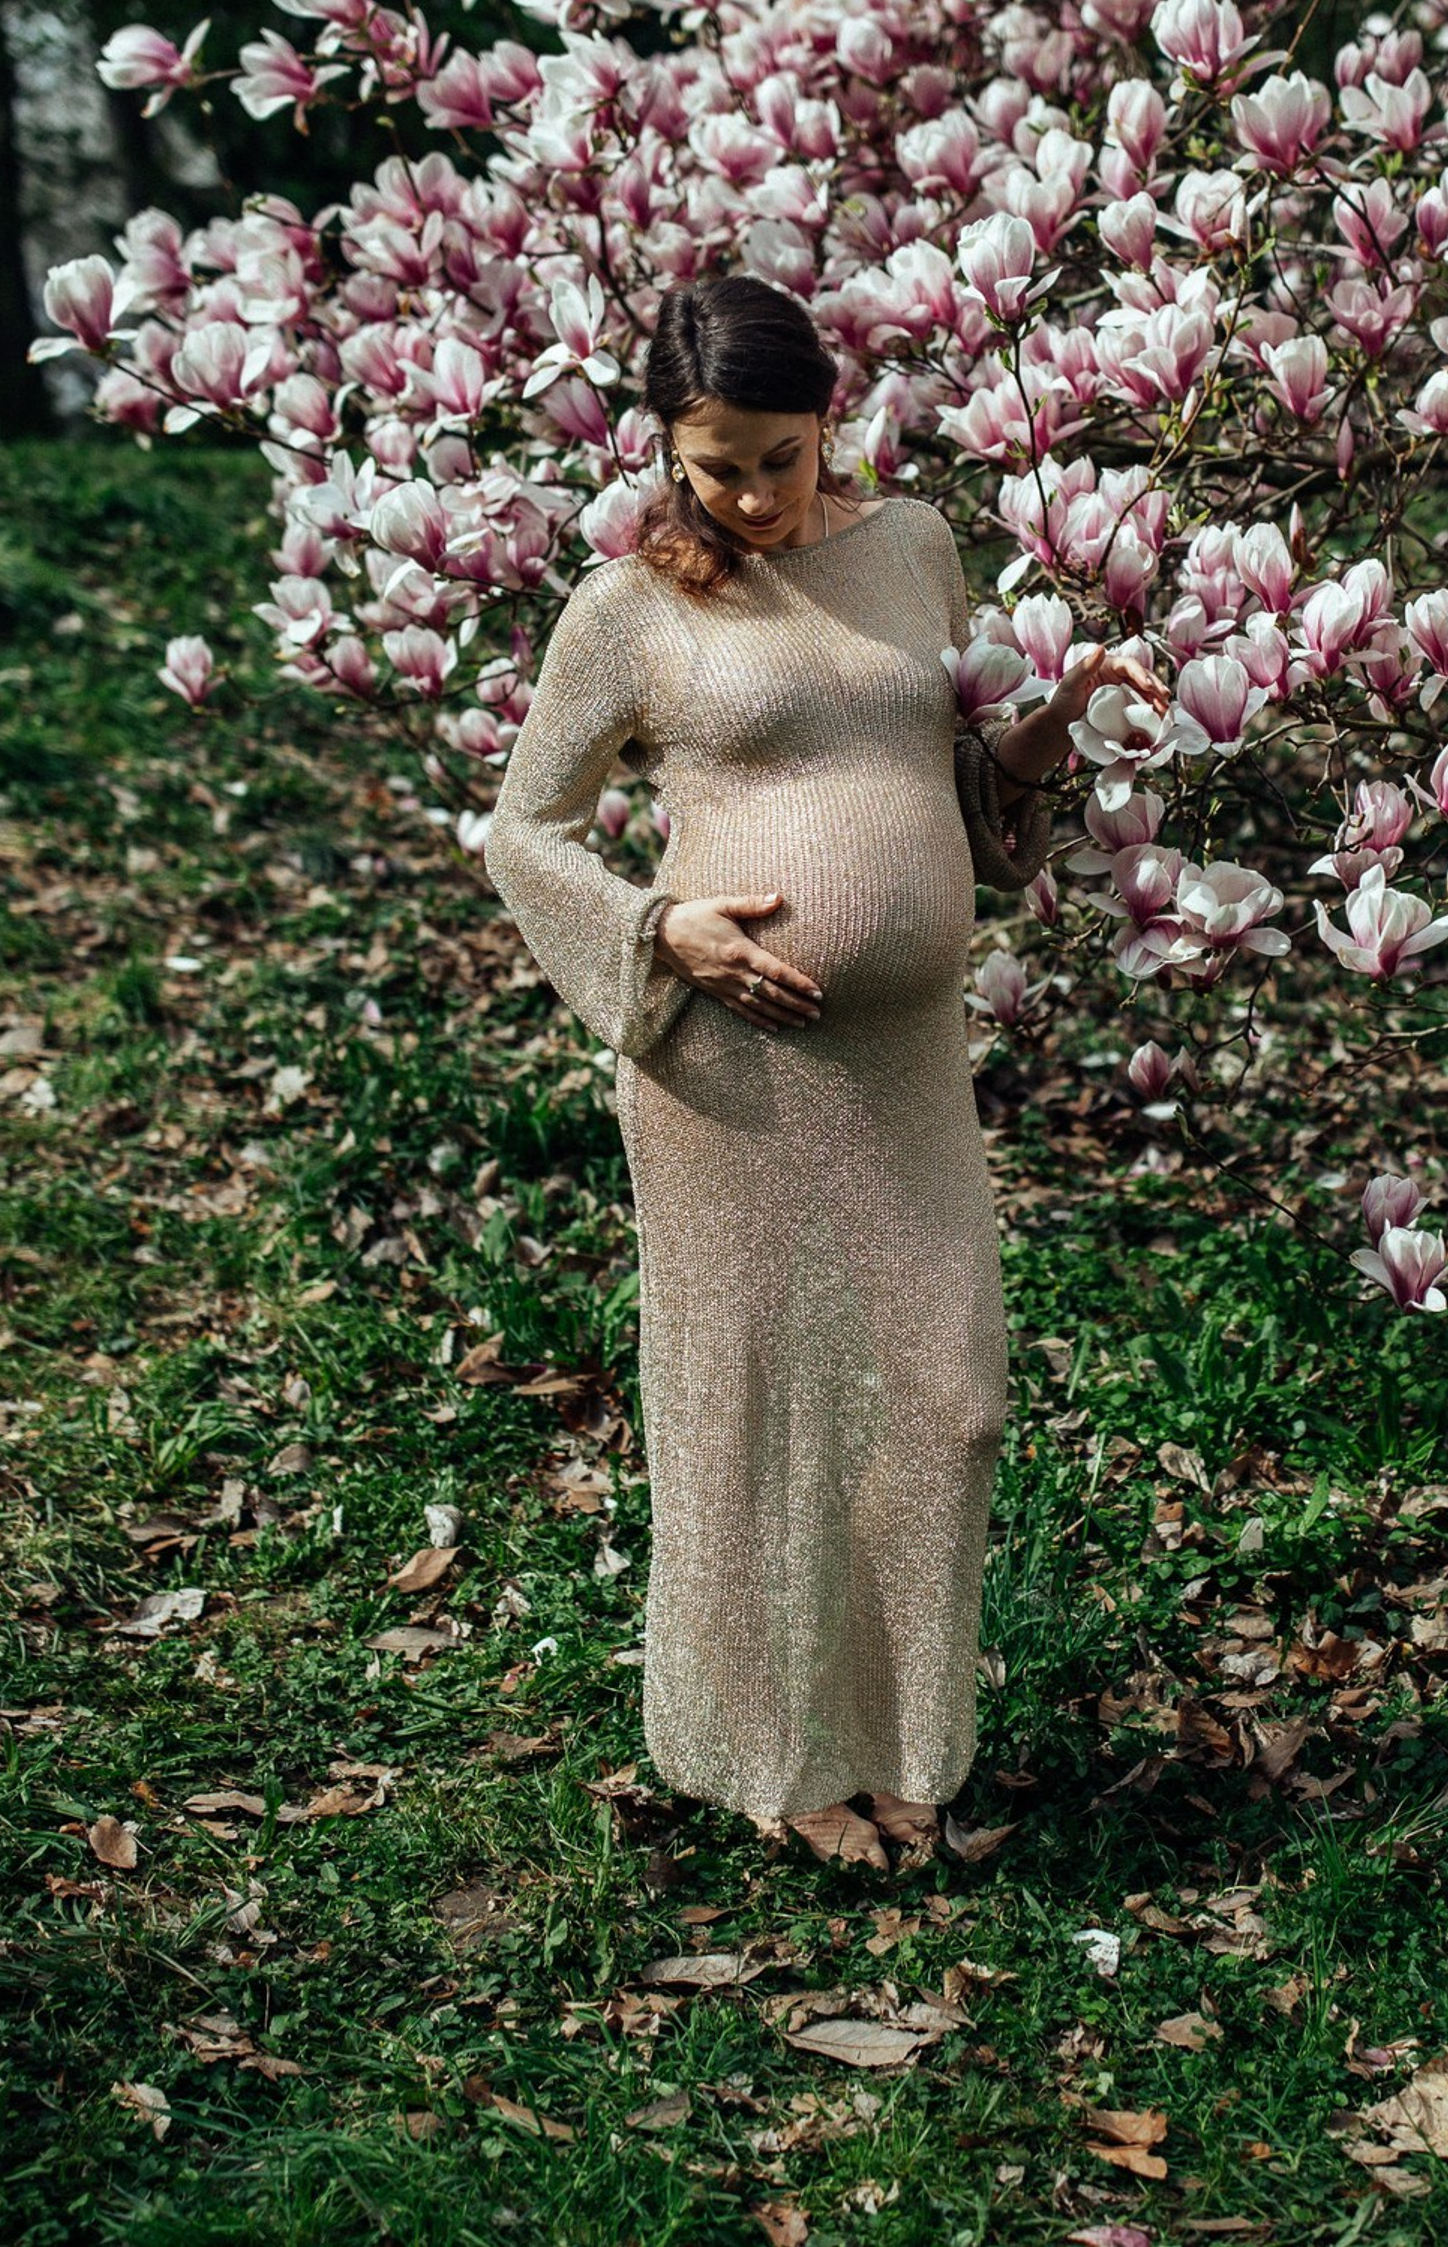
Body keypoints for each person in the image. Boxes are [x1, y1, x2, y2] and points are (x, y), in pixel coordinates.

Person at [484, 273, 1166, 1869]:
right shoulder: (631, 609)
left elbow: (974, 805)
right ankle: (790, 1759)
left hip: (907, 1068)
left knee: (946, 1397)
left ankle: (910, 1737)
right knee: (760, 1409)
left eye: (778, 459)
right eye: (713, 465)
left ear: (828, 422)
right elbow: (526, 830)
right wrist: (663, 933)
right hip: (733, 1070)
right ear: (668, 446)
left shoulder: (912, 548)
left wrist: (1056, 716)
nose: (750, 497)